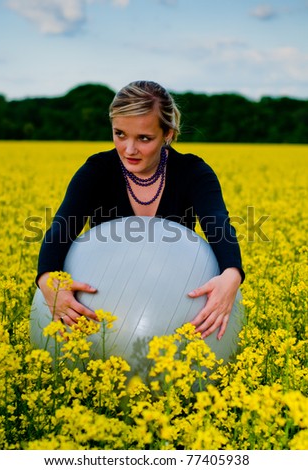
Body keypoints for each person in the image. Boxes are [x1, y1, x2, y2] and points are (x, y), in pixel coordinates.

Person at [37, 80, 245, 341]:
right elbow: (61, 227)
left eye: (144, 138)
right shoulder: (96, 171)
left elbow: (219, 226)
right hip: (103, 314)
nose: (129, 149)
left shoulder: (194, 173)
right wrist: (46, 278)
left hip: (174, 309)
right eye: (120, 134)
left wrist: (232, 275)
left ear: (167, 134)